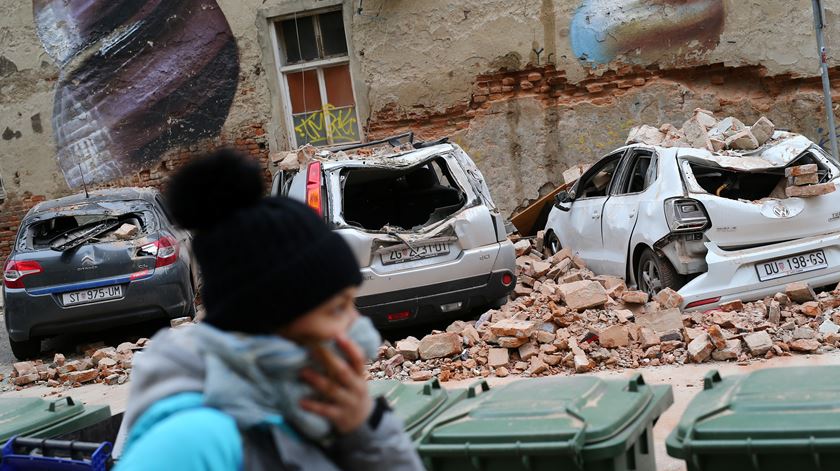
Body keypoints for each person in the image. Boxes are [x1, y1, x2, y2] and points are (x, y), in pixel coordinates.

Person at [115, 150, 424, 470]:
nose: (358, 324)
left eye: (352, 303)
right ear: (270, 320)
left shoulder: (301, 409)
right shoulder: (192, 443)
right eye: (337, 309)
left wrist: (364, 430)